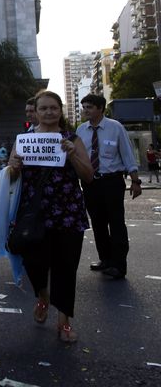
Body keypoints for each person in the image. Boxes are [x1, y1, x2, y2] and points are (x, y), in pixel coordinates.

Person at [8, 90, 93, 343]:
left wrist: (73, 154)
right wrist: (14, 167)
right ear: (35, 111)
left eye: (53, 108)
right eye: (43, 108)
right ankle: (43, 295)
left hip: (68, 212)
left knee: (66, 267)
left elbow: (87, 175)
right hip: (34, 213)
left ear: (60, 110)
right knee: (33, 261)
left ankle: (64, 321)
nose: (48, 112)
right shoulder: (24, 139)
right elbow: (11, 177)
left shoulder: (72, 139)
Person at [77, 94, 141, 280]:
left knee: (116, 223)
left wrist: (135, 181)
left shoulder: (115, 127)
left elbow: (127, 155)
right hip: (90, 183)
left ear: (100, 108)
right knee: (97, 223)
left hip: (112, 182)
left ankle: (119, 265)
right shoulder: (81, 130)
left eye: (89, 107)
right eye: (84, 107)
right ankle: (105, 259)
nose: (85, 110)